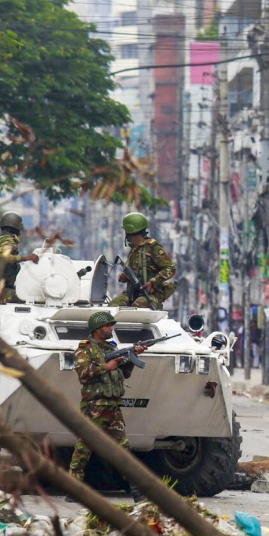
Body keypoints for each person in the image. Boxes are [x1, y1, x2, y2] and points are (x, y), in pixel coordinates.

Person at [68, 310, 147, 493]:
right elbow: (83, 374)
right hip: (95, 407)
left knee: (123, 449)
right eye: (107, 326)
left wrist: (133, 357)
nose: (111, 329)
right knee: (84, 449)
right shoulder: (85, 350)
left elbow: (124, 374)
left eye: (111, 325)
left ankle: (136, 489)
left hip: (113, 407)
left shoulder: (111, 349)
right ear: (97, 329)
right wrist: (106, 366)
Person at [110, 211, 177, 309]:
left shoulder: (152, 247)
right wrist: (126, 276)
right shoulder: (133, 250)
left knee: (138, 307)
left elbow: (170, 268)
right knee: (113, 306)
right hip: (132, 293)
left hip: (151, 295)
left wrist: (153, 282)